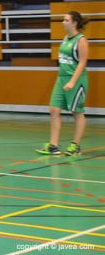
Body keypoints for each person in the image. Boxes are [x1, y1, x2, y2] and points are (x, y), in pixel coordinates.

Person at [37, 11, 89, 156]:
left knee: (77, 112)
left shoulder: (81, 39)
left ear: (74, 23)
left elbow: (83, 62)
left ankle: (75, 146)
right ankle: (53, 145)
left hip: (76, 79)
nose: (63, 22)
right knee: (54, 110)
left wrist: (73, 81)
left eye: (66, 20)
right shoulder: (66, 38)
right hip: (61, 78)